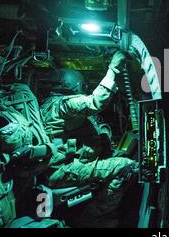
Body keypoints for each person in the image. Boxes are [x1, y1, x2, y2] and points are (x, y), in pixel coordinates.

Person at [40, 51, 138, 227]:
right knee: (124, 166)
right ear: (74, 86)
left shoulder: (48, 105)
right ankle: (95, 218)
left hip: (61, 168)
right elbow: (95, 102)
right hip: (65, 171)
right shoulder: (64, 105)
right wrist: (113, 68)